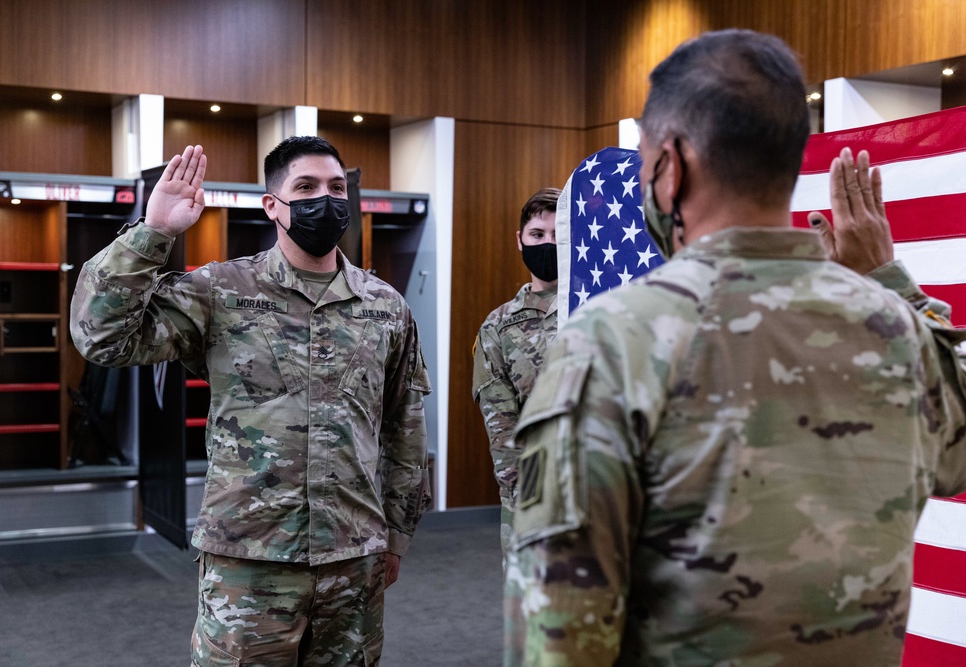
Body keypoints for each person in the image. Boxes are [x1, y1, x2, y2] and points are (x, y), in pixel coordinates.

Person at [504, 29, 966, 666]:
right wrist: (892, 286)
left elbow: (558, 634)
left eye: (644, 165)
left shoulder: (611, 343)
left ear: (674, 166)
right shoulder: (897, 331)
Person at [70, 137, 431, 666]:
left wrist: (396, 536)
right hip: (250, 562)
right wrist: (155, 234)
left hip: (352, 560)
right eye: (304, 188)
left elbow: (405, 427)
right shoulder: (222, 290)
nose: (324, 201)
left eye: (335, 188)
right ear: (272, 206)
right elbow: (101, 336)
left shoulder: (384, 307)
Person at [472, 187, 561, 556]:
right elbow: (502, 427)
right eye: (538, 235)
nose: (548, 244)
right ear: (520, 241)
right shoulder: (498, 328)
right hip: (531, 495)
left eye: (559, 235)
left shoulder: (603, 311)